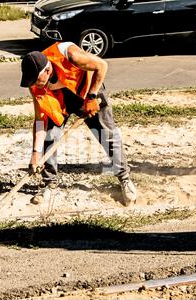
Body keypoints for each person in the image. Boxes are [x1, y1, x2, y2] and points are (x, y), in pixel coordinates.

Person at [20, 41, 137, 206]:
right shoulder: (35, 84)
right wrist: (35, 153)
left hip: (88, 91)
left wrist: (92, 97)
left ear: (46, 71)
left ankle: (125, 179)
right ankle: (50, 183)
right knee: (49, 136)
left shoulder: (70, 55)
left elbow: (102, 66)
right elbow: (40, 121)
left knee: (106, 135)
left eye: (36, 80)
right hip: (60, 100)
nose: (34, 84)